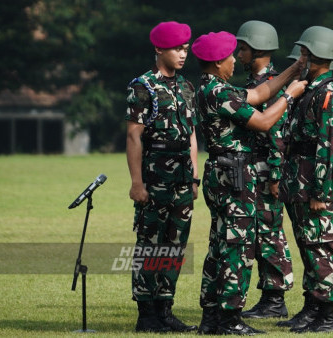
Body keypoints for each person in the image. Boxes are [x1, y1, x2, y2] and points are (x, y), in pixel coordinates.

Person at [191, 31, 307, 335]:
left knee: (218, 244)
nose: (233, 61)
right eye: (230, 56)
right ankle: (229, 320)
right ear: (218, 62)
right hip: (234, 177)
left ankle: (211, 318)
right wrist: (289, 96)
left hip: (221, 173)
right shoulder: (220, 93)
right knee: (237, 247)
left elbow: (259, 94)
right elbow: (265, 120)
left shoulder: (212, 87)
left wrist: (293, 71)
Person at [125, 21, 199, 333]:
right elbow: (133, 136)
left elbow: (192, 134)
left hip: (182, 179)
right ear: (159, 49)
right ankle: (146, 314)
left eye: (185, 48)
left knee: (174, 245)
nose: (182, 54)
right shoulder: (143, 87)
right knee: (150, 244)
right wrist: (137, 183)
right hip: (154, 178)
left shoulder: (185, 86)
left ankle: (165, 309)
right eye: (176, 49)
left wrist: (194, 176)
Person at [278, 26, 333, 333]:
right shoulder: (309, 89)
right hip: (299, 181)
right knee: (308, 245)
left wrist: (320, 192)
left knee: (322, 246)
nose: (301, 58)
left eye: (306, 53)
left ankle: (329, 315)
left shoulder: (329, 96)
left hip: (314, 185)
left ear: (321, 55)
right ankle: (312, 307)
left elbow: (327, 148)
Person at [235, 20, 293, 319]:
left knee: (269, 234)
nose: (239, 54)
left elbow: (278, 134)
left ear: (257, 50)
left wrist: (275, 174)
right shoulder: (256, 85)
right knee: (259, 233)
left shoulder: (270, 86)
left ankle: (274, 300)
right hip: (252, 170)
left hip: (265, 172)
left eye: (243, 48)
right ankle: (269, 297)